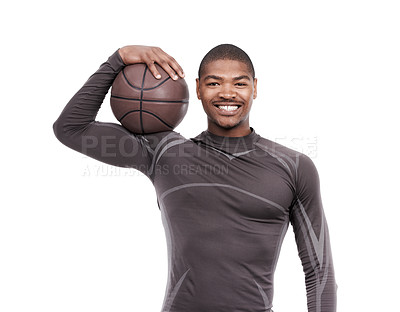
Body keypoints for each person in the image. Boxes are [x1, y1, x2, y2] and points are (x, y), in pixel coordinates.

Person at [53, 44, 337, 312]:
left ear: (255, 88)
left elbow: (319, 268)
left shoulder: (294, 166)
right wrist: (118, 58)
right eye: (214, 83)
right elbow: (70, 129)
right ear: (198, 89)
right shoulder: (163, 153)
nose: (228, 93)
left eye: (240, 83)